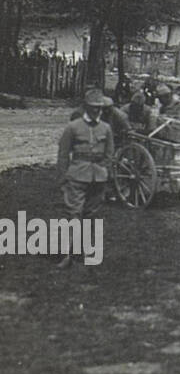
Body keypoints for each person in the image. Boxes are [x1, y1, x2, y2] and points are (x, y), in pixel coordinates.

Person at [55, 89, 116, 268]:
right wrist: (63, 177)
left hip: (98, 177)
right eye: (93, 107)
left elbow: (110, 153)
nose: (97, 111)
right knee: (73, 213)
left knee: (92, 215)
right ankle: (67, 254)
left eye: (100, 108)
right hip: (77, 176)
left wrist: (104, 168)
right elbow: (63, 154)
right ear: (86, 107)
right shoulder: (73, 127)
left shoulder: (106, 128)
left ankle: (87, 252)